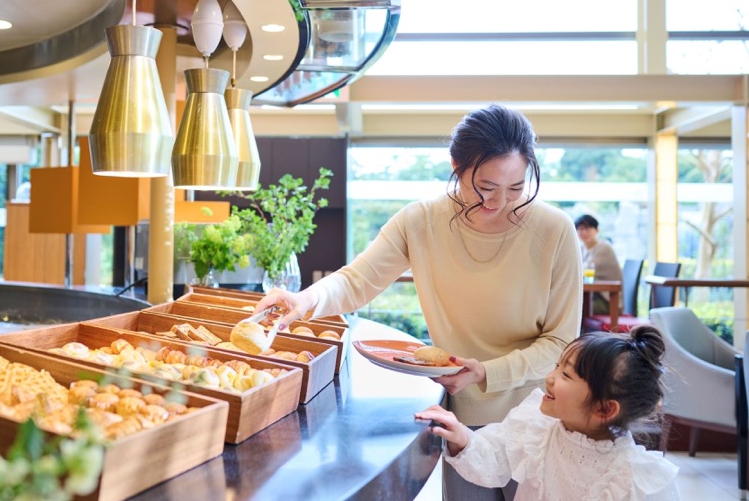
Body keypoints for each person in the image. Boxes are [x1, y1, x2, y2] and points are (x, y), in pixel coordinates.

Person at [255, 104, 583, 500]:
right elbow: (358, 279)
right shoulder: (421, 221)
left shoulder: (554, 230)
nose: (500, 201)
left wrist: (485, 372)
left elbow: (561, 343)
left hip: (537, 418)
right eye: (485, 187)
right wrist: (305, 299)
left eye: (515, 188)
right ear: (456, 165)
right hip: (462, 420)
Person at [414, 325, 679, 500]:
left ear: (604, 408)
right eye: (556, 366)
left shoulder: (636, 481)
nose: (550, 378)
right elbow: (493, 459)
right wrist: (462, 438)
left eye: (566, 375)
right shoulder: (538, 427)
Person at [575, 214, 623, 315]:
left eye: (588, 229)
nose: (584, 232)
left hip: (607, 302)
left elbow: (582, 271)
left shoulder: (604, 248)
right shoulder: (581, 248)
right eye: (581, 229)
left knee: (571, 308)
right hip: (592, 298)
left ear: (597, 230)